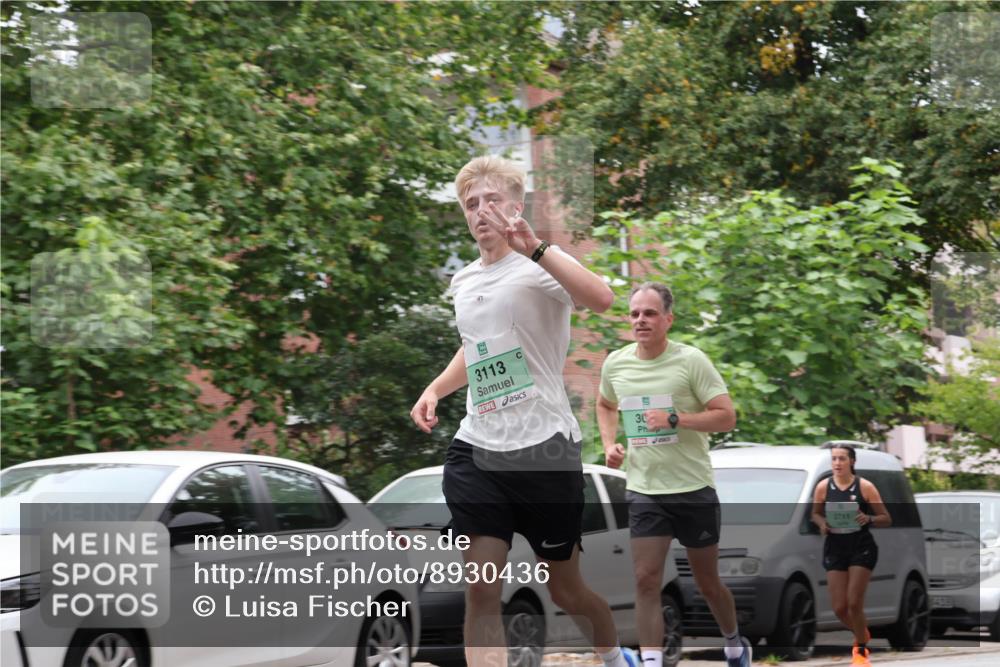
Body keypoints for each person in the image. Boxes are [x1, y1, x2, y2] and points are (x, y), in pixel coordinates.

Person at [410, 155, 638, 667]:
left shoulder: (541, 265)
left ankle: (611, 652)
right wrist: (435, 389)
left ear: (516, 205)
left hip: (544, 450)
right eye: (471, 203)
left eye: (492, 199)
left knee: (566, 590)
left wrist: (535, 247)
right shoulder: (464, 281)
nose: (481, 211)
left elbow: (602, 299)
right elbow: (476, 348)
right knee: (482, 588)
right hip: (479, 448)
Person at [597, 282, 752, 667]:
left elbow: (726, 416)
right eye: (634, 313)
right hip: (645, 488)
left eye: (649, 313)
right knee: (646, 579)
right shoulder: (617, 363)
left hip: (693, 487)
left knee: (707, 584)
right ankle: (651, 661)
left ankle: (734, 644)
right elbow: (604, 403)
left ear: (669, 319)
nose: (640, 320)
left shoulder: (691, 361)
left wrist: (676, 418)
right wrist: (610, 443)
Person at [811, 444, 891, 667]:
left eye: (842, 459)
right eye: (834, 459)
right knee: (839, 608)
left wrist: (869, 519)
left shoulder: (865, 487)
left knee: (854, 603)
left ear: (852, 462)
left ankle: (861, 651)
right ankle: (862, 632)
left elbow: (886, 518)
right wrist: (822, 524)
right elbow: (815, 514)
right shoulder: (823, 487)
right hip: (835, 547)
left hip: (861, 547)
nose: (837, 463)